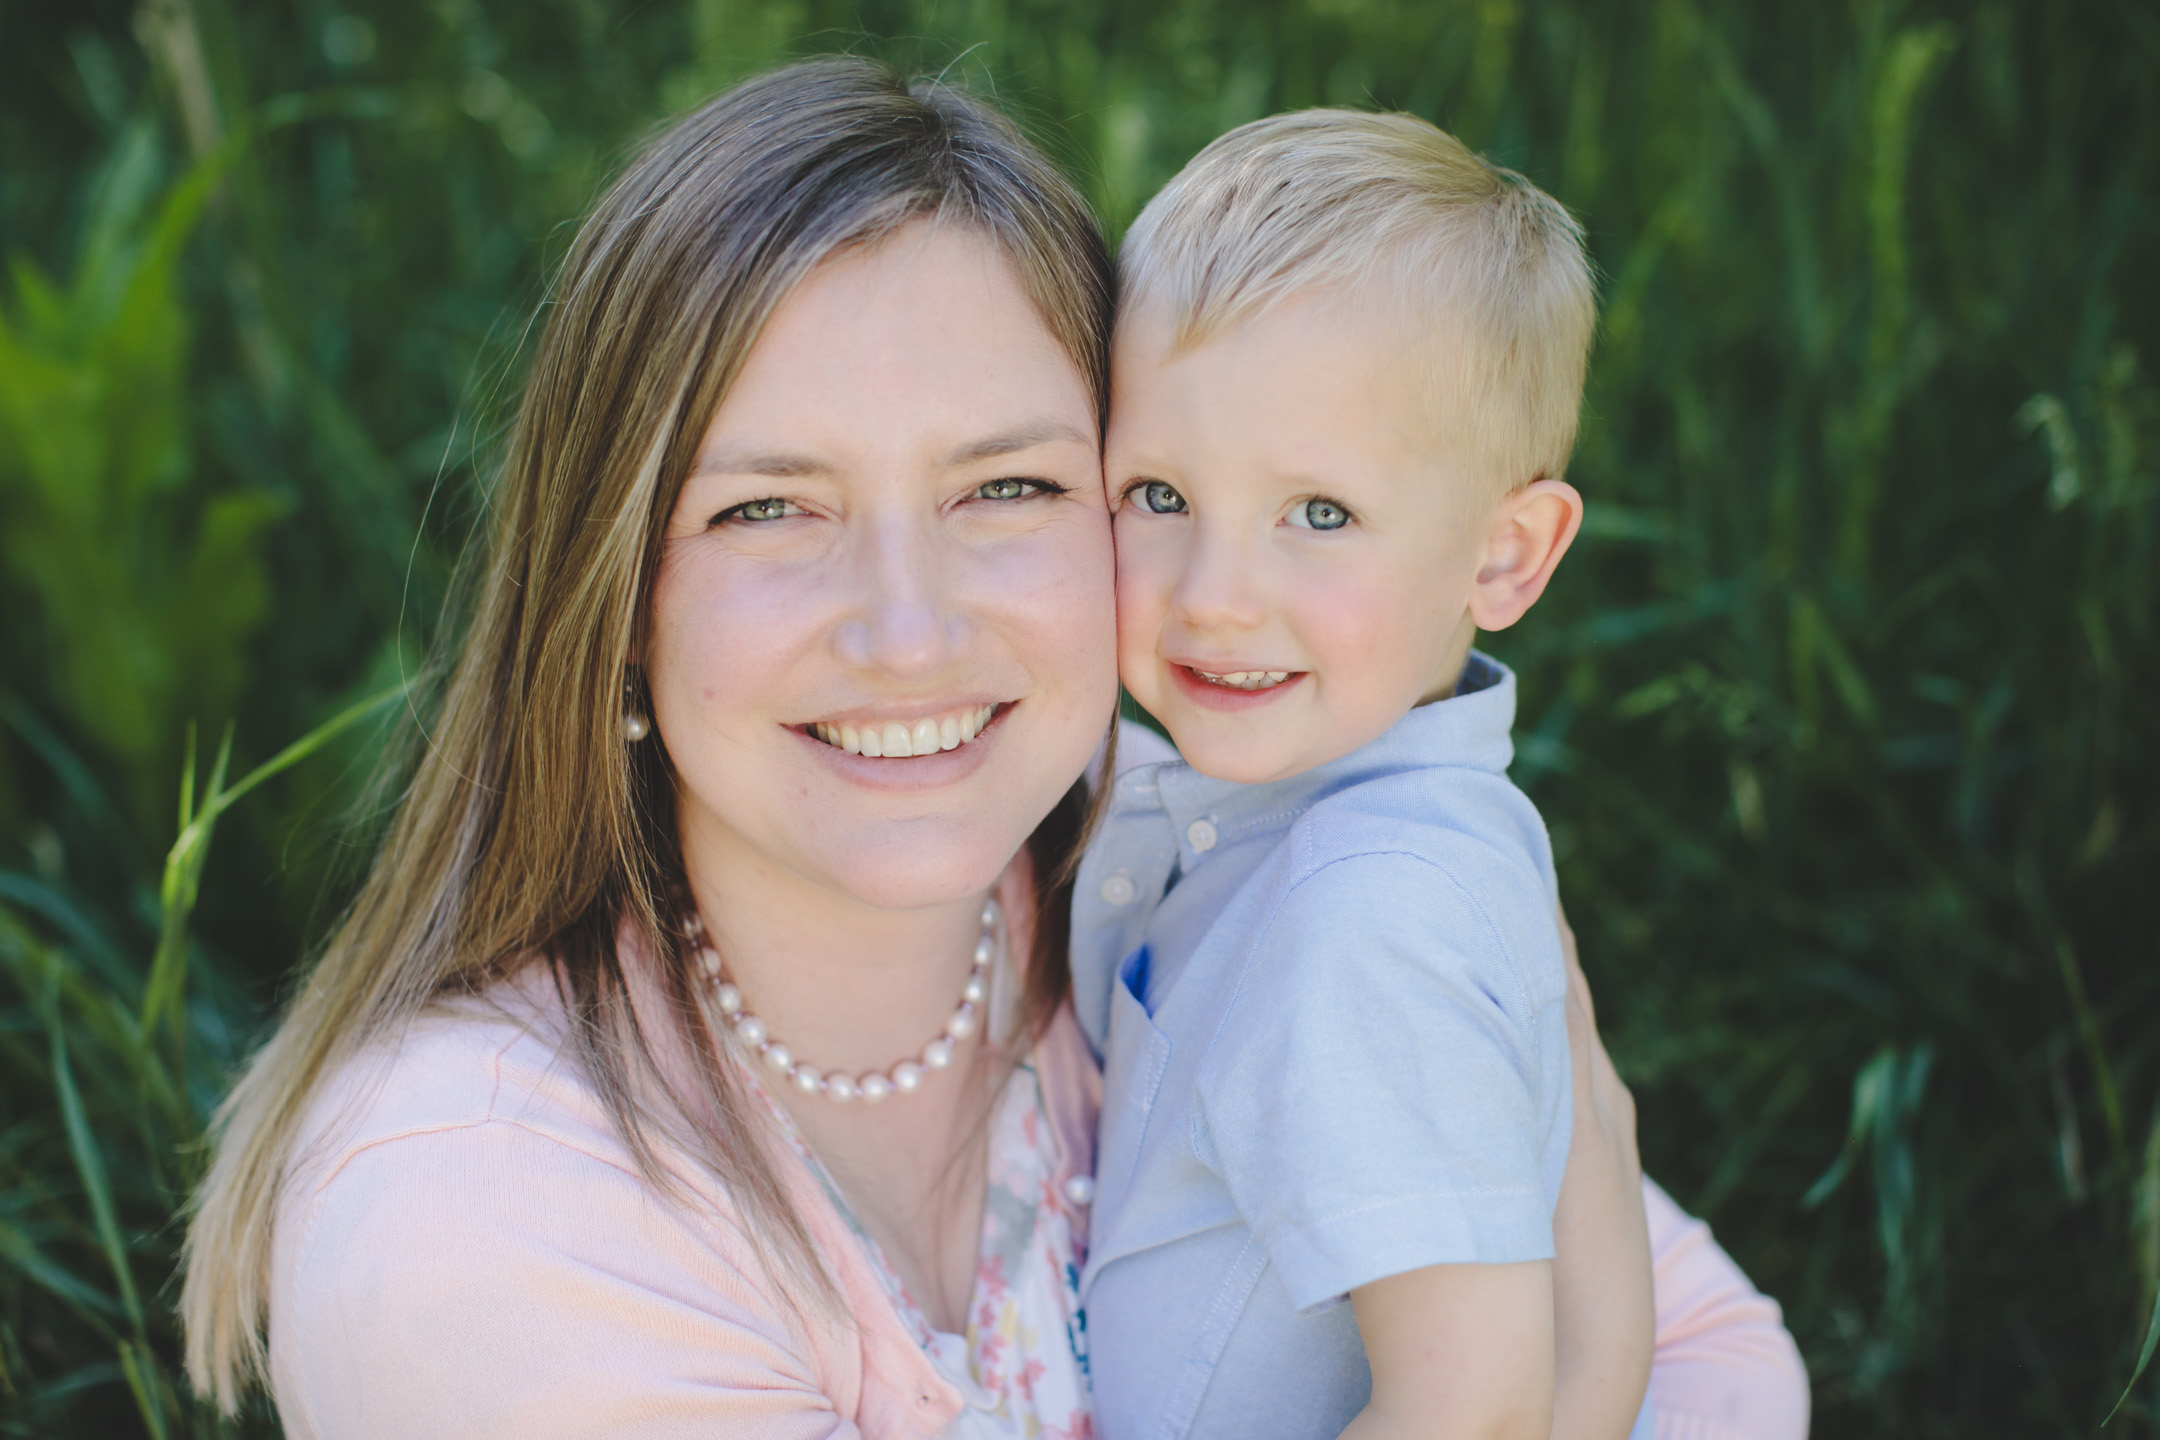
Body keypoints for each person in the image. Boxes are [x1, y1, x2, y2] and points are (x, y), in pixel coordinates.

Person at [175, 58, 1767, 1440]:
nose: (907, 628)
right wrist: (1592, 1338)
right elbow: (1603, 1350)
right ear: (615, 602)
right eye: (768, 508)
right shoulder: (474, 1213)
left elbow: (1734, 1372)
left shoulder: (1194, 864)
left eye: (1006, 489)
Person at [1072, 110, 1810, 1440]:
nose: (1215, 599)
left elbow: (1465, 1419)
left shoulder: (1371, 920)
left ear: (1506, 557)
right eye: (1161, 495)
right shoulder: (1346, 817)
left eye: (1320, 515)